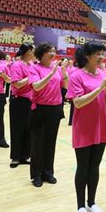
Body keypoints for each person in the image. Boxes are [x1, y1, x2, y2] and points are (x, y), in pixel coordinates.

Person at [67, 42, 106, 212]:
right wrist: (99, 88)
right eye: (98, 54)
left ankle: (91, 202)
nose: (101, 58)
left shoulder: (103, 74)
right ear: (88, 56)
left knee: (95, 166)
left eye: (102, 54)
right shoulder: (76, 75)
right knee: (83, 167)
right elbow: (77, 103)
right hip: (84, 127)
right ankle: (80, 206)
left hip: (101, 125)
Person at [29, 42, 68, 187]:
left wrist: (64, 76)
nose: (52, 53)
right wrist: (51, 74)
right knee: (38, 143)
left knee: (50, 142)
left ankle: (48, 172)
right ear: (42, 54)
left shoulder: (56, 68)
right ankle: (36, 175)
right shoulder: (34, 68)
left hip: (55, 108)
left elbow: (65, 87)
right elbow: (36, 86)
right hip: (40, 109)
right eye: (49, 51)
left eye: (53, 50)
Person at [9, 43, 35, 168]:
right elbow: (17, 84)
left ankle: (25, 155)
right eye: (33, 51)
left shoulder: (31, 65)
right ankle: (15, 157)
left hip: (30, 100)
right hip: (19, 101)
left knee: (28, 129)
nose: (34, 53)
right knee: (17, 128)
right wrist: (31, 77)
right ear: (28, 51)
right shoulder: (16, 65)